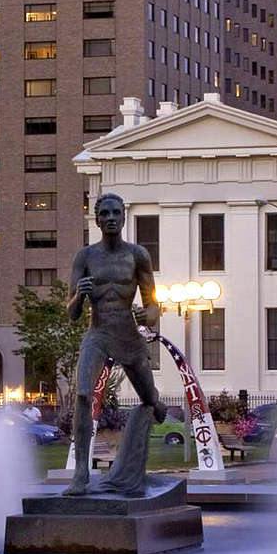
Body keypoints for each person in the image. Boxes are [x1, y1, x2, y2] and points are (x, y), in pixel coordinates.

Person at [64, 191, 169, 497]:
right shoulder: (84, 257)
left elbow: (153, 306)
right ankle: (81, 473)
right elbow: (71, 314)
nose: (110, 218)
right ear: (96, 219)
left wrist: (146, 315)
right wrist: (79, 295)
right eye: (104, 214)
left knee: (149, 399)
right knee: (83, 395)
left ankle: (158, 408)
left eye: (115, 213)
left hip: (128, 335)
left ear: (123, 217)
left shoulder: (137, 255)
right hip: (98, 334)